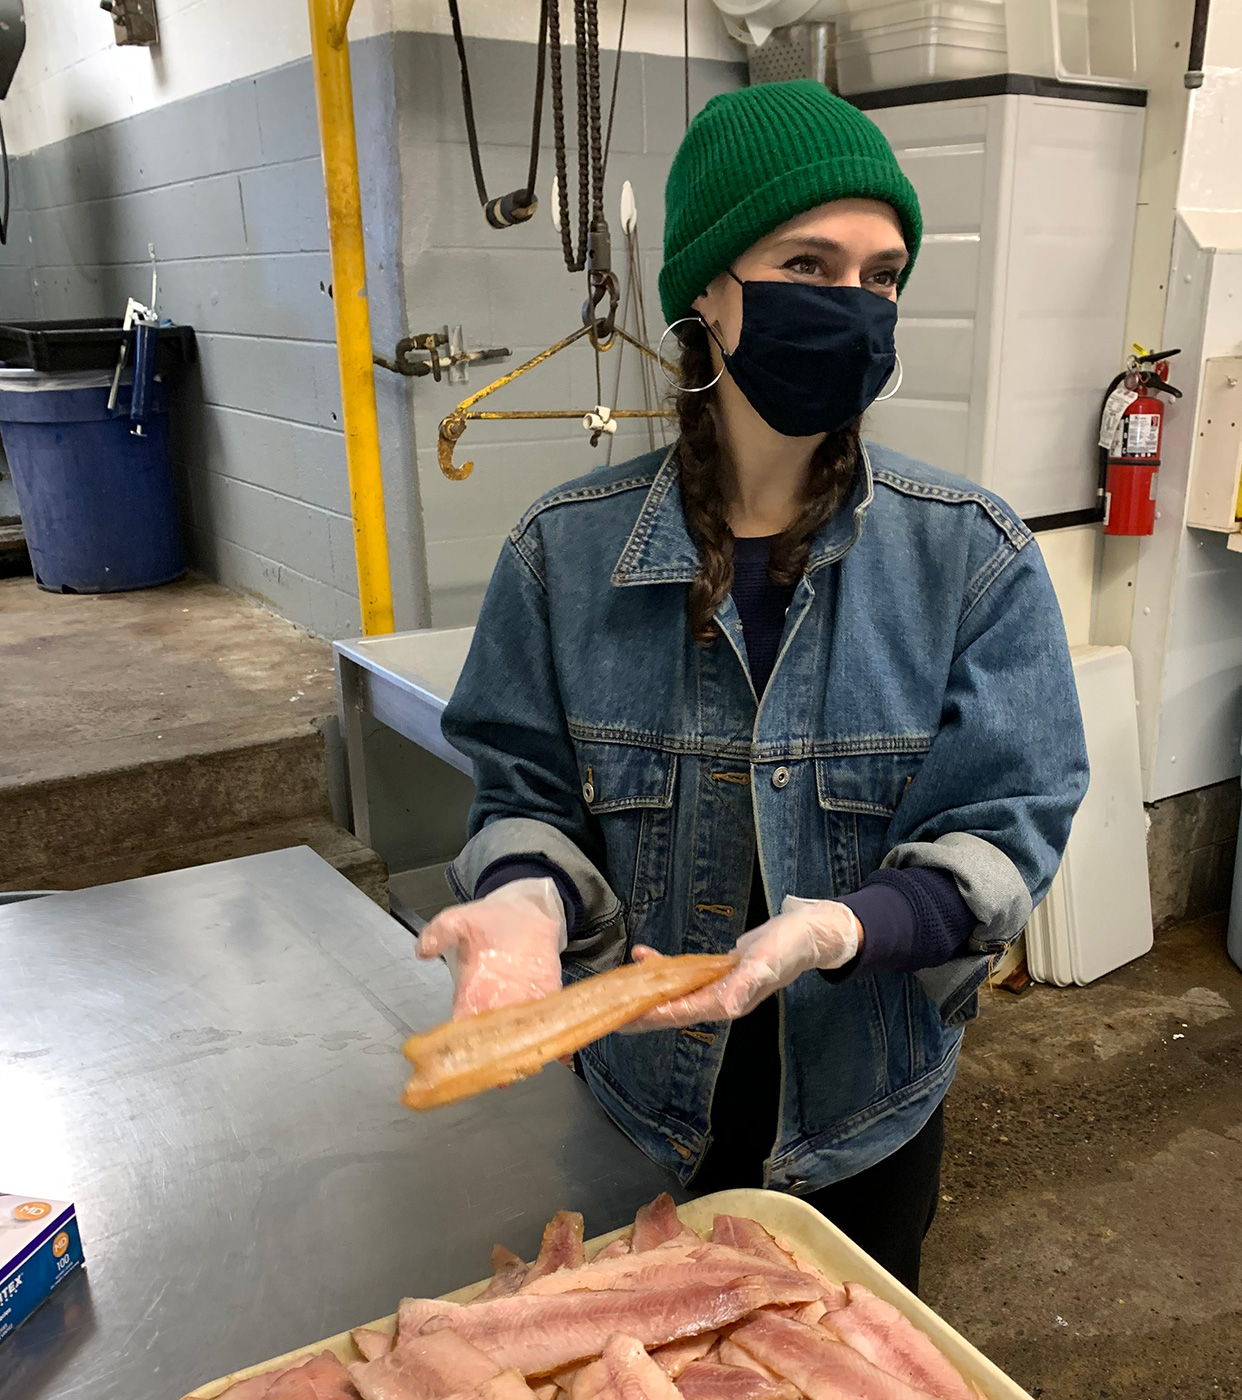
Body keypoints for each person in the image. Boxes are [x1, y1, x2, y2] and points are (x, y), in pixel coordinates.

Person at [421, 79, 1088, 1290]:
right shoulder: (561, 555)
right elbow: (522, 791)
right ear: (708, 294)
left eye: (880, 275)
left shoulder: (969, 555)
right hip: (639, 1108)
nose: (855, 304)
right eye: (808, 263)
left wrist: (842, 924)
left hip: (863, 1114)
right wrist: (523, 895)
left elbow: (1005, 824)